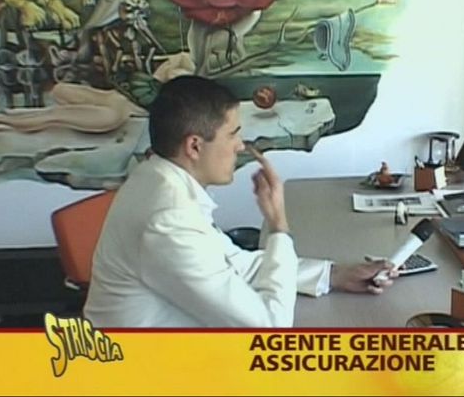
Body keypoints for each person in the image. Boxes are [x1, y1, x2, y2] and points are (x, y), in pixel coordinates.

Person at [83, 75, 397, 327]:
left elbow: (232, 263)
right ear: (194, 146)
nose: (241, 146)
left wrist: (333, 275)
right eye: (233, 134)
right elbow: (268, 326)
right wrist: (278, 227)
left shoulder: (157, 178)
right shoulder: (167, 219)